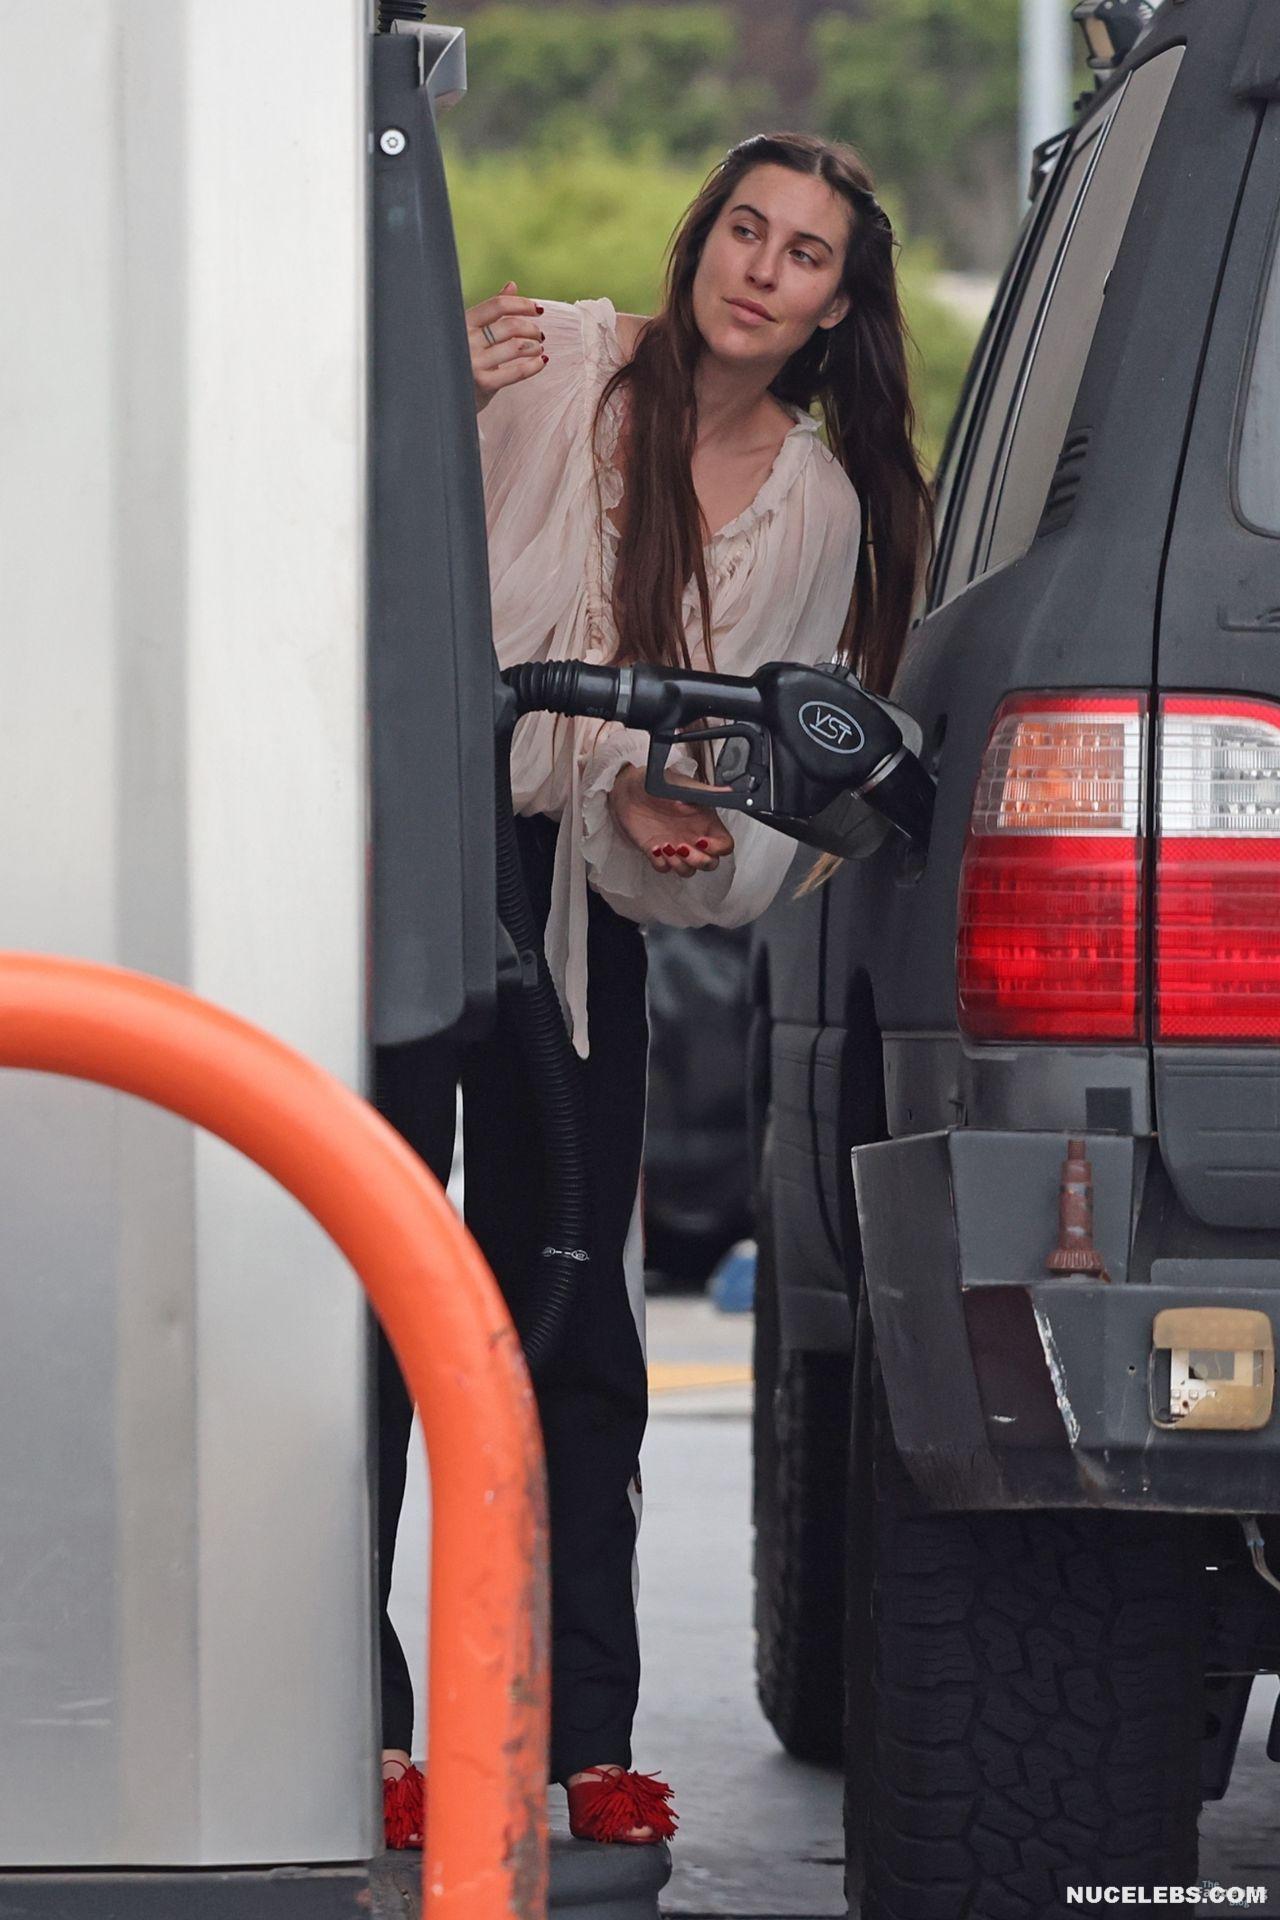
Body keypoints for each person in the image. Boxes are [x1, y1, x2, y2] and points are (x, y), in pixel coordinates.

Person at [377, 129, 934, 1850]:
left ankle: (580, 1739)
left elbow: (745, 776)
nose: (762, 267)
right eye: (746, 229)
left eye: (806, 253)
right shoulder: (549, 361)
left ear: (838, 306)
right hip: (398, 871)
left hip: (576, 921)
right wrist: (411, 391)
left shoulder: (815, 507)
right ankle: (351, 1724)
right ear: (702, 240)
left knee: (571, 1311)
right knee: (357, 1298)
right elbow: (351, 563)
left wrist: (650, 798)